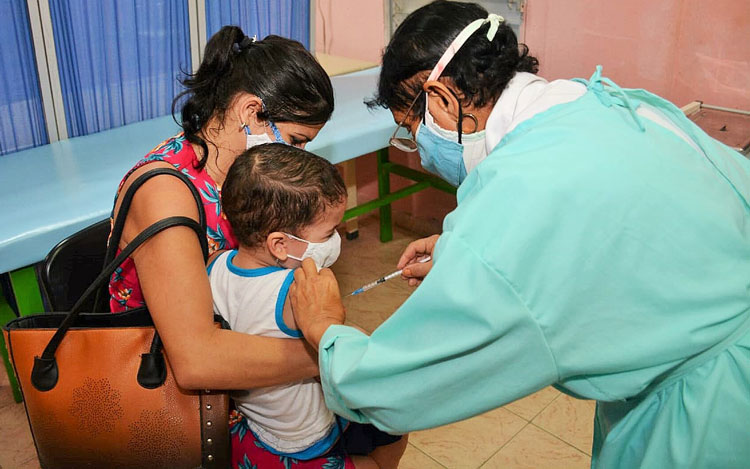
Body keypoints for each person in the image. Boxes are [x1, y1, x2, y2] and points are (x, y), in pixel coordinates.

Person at [289, 2, 750, 468]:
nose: (420, 152)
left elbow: (400, 386)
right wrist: (461, 250)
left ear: (443, 99)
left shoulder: (521, 190)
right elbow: (606, 234)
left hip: (709, 411)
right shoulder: (589, 101)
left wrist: (326, 330)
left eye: (412, 130)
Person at [107, 25, 335, 457]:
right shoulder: (167, 195)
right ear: (253, 112)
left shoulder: (242, 177)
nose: (298, 157)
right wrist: (330, 357)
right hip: (177, 400)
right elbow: (196, 361)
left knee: (383, 425)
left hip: (240, 376)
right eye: (297, 141)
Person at [208, 143, 406, 469]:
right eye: (328, 232)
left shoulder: (216, 266)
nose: (336, 237)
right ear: (280, 244)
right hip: (310, 434)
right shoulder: (298, 290)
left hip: (263, 424)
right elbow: (346, 348)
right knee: (391, 435)